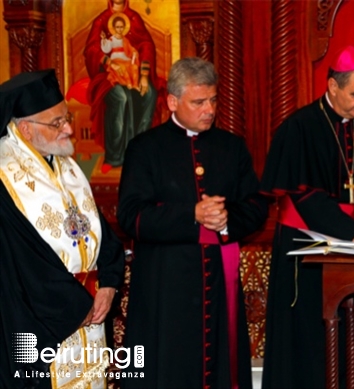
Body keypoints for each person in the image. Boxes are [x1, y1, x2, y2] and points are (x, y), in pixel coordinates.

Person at [260, 45, 354, 389]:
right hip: (304, 249)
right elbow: (307, 198)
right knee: (306, 341)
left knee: (350, 340)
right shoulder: (299, 128)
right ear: (332, 87)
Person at [117, 57, 268, 389]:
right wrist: (192, 214)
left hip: (218, 279)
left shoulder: (232, 146)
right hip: (165, 285)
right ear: (172, 101)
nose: (209, 110)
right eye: (199, 102)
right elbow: (130, 215)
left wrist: (228, 220)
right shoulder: (145, 148)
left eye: (213, 100)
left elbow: (257, 204)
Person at [0, 69, 125, 389]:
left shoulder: (66, 165)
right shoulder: (4, 177)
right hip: (40, 326)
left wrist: (109, 285)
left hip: (90, 312)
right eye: (56, 123)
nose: (68, 128)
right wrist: (76, 304)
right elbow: (24, 263)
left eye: (66, 118)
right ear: (25, 128)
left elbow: (98, 232)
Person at [84, 0, 159, 172]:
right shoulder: (101, 21)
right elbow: (91, 50)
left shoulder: (133, 19)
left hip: (133, 73)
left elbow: (146, 45)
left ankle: (140, 149)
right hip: (107, 75)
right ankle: (115, 156)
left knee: (149, 95)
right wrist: (108, 61)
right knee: (120, 98)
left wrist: (145, 75)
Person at [101, 15, 140, 90]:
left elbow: (130, 48)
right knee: (122, 67)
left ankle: (135, 84)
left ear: (124, 27)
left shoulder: (125, 40)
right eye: (117, 27)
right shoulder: (112, 39)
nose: (119, 29)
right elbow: (106, 49)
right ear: (114, 28)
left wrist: (134, 52)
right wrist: (104, 39)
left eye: (121, 27)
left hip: (125, 58)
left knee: (134, 67)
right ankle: (128, 83)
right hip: (116, 59)